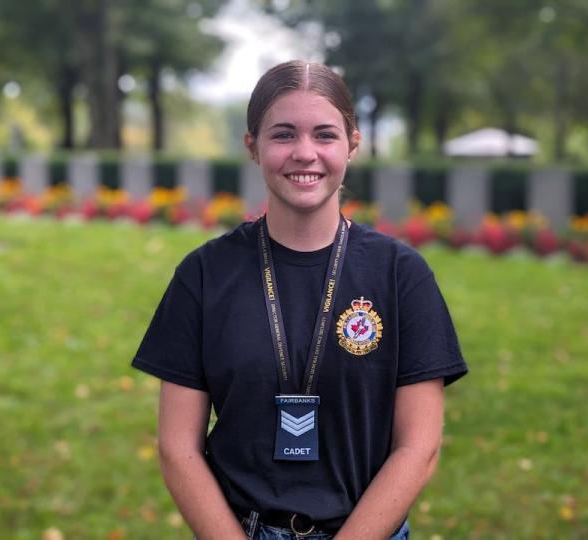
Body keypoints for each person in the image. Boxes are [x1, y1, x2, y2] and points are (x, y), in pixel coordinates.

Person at [131, 60, 467, 540]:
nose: (304, 153)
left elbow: (419, 447)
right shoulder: (204, 275)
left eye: (325, 135)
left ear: (353, 144)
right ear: (253, 147)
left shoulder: (400, 275)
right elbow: (177, 448)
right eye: (283, 134)